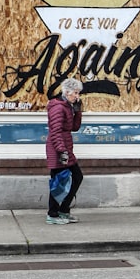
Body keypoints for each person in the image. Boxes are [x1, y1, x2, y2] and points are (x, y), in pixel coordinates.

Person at [46, 77, 84, 225]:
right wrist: (62, 151)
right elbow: (55, 132)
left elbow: (73, 127)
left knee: (77, 177)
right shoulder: (58, 107)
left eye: (78, 93)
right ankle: (53, 214)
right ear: (67, 92)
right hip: (58, 149)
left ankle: (63, 210)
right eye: (75, 93)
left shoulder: (68, 106)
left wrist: (78, 112)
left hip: (66, 148)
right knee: (58, 181)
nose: (77, 96)